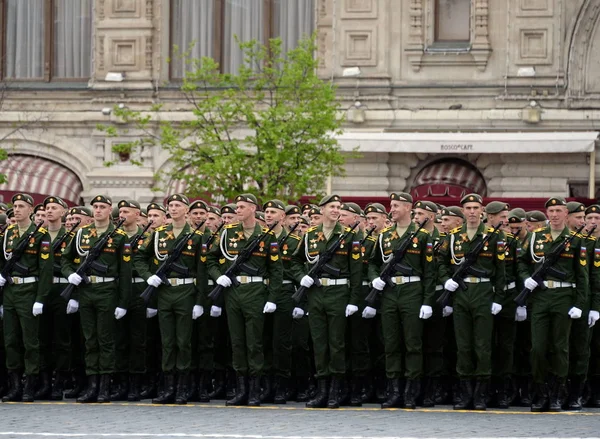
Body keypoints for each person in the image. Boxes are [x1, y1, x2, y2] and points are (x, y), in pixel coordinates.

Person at [207, 193, 283, 407]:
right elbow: (211, 259)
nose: (236, 210)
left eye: (241, 207)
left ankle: (255, 391)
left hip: (256, 291)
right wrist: (218, 276)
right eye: (236, 207)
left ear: (252, 209)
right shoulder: (227, 232)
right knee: (237, 342)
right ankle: (241, 390)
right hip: (233, 291)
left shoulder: (266, 235)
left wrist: (272, 298)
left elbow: (276, 271)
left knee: (254, 342)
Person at [290, 194, 362, 409]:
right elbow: (294, 260)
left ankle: (335, 391)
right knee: (319, 343)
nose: (335, 210)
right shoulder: (310, 235)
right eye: (331, 206)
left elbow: (357, 271)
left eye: (338, 207)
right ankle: (322, 390)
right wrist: (300, 276)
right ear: (321, 210)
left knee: (336, 344)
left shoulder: (348, 236)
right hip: (316, 294)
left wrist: (354, 300)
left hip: (339, 293)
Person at [518, 197, 588, 412]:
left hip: (564, 295)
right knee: (538, 348)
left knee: (560, 347)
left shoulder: (575, 239)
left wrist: (579, 303)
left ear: (566, 213)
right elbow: (521, 261)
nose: (555, 215)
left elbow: (582, 275)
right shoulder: (535, 237)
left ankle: (557, 392)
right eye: (551, 211)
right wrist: (525, 278)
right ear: (547, 214)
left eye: (559, 210)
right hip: (540, 295)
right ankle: (541, 391)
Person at [61, 195, 132, 403]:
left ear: (110, 210)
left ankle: (104, 387)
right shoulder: (82, 233)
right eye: (95, 207)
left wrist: (123, 302)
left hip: (107, 290)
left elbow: (125, 272)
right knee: (90, 339)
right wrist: (70, 275)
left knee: (105, 340)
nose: (98, 210)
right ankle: (92, 386)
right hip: (85, 290)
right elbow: (65, 259)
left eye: (102, 207)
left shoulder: (119, 236)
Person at [134, 194, 204, 405]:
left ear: (186, 211)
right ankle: (168, 388)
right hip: (165, 292)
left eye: (178, 205)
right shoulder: (158, 234)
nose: (173, 209)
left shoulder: (196, 236)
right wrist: (149, 276)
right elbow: (139, 257)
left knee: (183, 342)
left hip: (185, 292)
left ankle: (182, 389)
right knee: (167, 342)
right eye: (171, 206)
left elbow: (201, 270)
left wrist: (200, 301)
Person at [438, 193, 506, 411]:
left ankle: (480, 395)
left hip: (484, 291)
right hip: (460, 293)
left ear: (482, 211)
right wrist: (445, 280)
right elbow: (441, 262)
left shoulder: (493, 237)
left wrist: (498, 298)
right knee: (463, 345)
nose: (472, 212)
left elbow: (501, 272)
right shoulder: (453, 236)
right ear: (463, 212)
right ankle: (465, 393)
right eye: (468, 208)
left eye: (476, 208)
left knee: (482, 345)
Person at [368, 194, 434, 409]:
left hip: (412, 291)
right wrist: (374, 279)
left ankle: (410, 392)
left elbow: (430, 272)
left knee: (412, 343)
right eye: (391, 205)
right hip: (389, 292)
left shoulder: (422, 236)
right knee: (391, 343)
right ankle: (394, 391)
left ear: (408, 208)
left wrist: (427, 301)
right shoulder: (384, 236)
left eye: (396, 205)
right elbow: (372, 263)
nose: (392, 209)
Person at [0, 193, 53, 402]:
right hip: (10, 292)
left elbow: (46, 270)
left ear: (31, 210)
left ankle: (30, 385)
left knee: (30, 341)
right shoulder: (9, 233)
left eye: (22, 206)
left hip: (29, 291)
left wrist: (40, 298)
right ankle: (14, 385)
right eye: (15, 206)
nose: (18, 209)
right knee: (10, 340)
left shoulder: (40, 234)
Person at [111, 199, 148, 402]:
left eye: (126, 211)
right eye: (120, 211)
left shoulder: (148, 237)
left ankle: (136, 384)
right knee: (119, 339)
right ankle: (120, 383)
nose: (121, 214)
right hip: (118, 288)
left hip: (139, 288)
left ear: (137, 214)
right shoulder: (114, 237)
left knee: (138, 339)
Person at [37, 196, 71, 400]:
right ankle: (44, 382)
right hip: (41, 290)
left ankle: (60, 383)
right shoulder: (37, 235)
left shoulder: (70, 235)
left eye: (53, 208)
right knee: (41, 338)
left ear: (63, 212)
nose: (49, 211)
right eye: (46, 208)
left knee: (62, 339)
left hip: (61, 290)